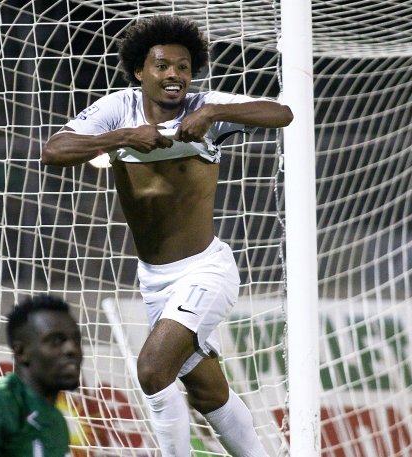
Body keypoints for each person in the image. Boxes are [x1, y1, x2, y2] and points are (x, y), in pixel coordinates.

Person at [41, 15, 293, 457]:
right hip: (154, 280)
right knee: (207, 393)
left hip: (205, 270)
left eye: (183, 67)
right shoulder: (119, 108)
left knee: (153, 370)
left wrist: (212, 113)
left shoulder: (205, 105)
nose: (174, 74)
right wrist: (122, 137)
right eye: (162, 66)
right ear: (140, 71)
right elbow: (53, 151)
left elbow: (282, 113)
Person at [0, 294, 82, 457]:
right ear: (21, 352)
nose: (71, 349)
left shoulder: (56, 421)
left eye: (76, 340)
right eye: (56, 341)